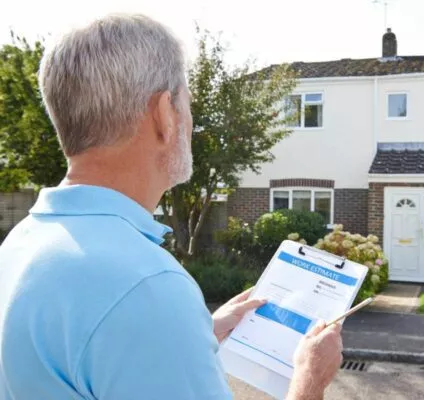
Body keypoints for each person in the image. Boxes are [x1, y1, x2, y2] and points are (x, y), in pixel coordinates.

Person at [0, 13, 343, 400]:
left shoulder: (21, 244)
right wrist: (308, 380)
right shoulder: (146, 289)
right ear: (164, 114)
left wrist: (195, 333)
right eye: (187, 104)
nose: (191, 122)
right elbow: (128, 314)